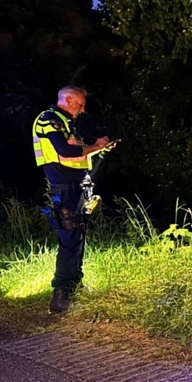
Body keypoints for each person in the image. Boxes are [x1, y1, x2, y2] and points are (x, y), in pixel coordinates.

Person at [31, 86, 114, 313]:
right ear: (67, 99)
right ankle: (60, 294)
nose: (83, 109)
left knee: (77, 236)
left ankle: (74, 285)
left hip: (77, 188)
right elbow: (65, 153)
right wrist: (95, 146)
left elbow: (77, 155)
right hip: (65, 189)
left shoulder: (67, 123)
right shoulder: (49, 120)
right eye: (80, 104)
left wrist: (99, 149)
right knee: (69, 238)